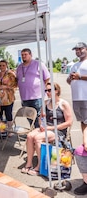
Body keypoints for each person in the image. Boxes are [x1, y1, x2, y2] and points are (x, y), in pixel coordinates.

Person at [21, 82, 73, 176]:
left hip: (58, 130)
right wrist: (41, 125)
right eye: (46, 91)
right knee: (29, 136)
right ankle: (29, 163)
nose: (47, 92)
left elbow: (69, 122)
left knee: (38, 138)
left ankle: (40, 166)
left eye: (49, 90)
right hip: (46, 128)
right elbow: (40, 118)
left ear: (56, 91)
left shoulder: (63, 104)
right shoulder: (45, 103)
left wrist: (51, 127)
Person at [66, 42, 87, 195]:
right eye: (76, 49)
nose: (78, 51)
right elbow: (69, 81)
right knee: (83, 123)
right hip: (77, 99)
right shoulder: (74, 65)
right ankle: (85, 143)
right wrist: (70, 79)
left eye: (81, 48)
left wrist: (80, 77)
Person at [16, 48, 50, 128]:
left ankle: (40, 134)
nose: (24, 56)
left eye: (25, 54)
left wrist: (41, 87)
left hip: (37, 97)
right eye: (22, 55)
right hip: (24, 97)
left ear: (30, 55)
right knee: (29, 117)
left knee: (39, 117)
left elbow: (47, 78)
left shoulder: (38, 64)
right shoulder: (19, 67)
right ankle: (35, 132)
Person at [0, 60, 17, 130]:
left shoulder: (11, 74)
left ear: (6, 66)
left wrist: (6, 87)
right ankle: (0, 129)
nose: (2, 67)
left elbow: (15, 85)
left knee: (8, 114)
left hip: (8, 98)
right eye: (0, 65)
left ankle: (10, 129)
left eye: (3, 65)